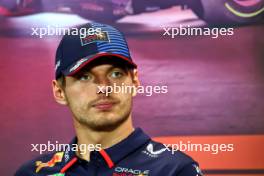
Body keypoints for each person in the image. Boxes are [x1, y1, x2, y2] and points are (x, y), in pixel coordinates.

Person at [15, 22, 203, 176]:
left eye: (115, 74)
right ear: (59, 92)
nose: (104, 87)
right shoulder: (33, 173)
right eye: (84, 77)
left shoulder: (175, 170)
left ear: (135, 82)